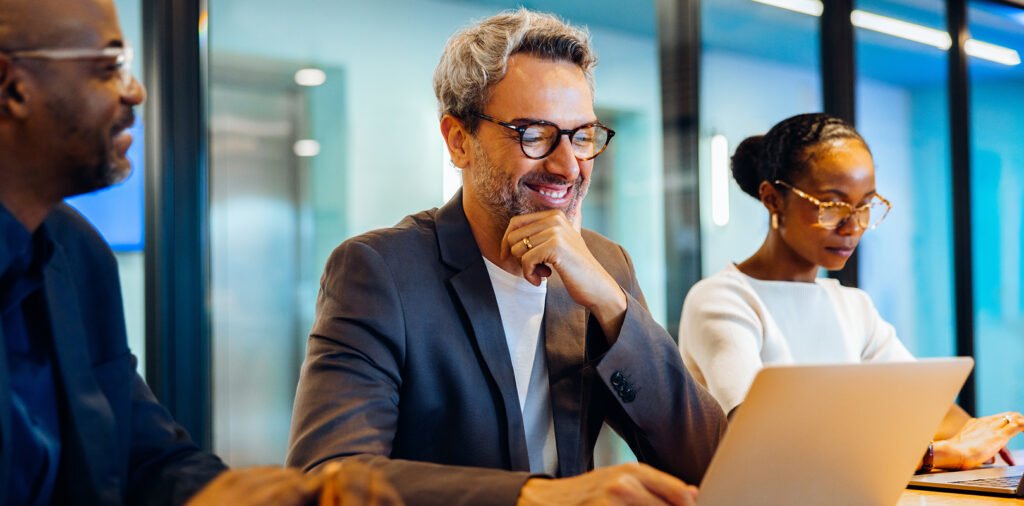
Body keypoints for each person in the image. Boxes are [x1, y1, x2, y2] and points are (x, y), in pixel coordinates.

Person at [286, 8, 726, 506]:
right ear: (458, 141)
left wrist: (612, 304)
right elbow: (327, 477)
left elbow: (708, 463)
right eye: (534, 135)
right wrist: (536, 497)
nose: (567, 166)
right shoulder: (379, 270)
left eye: (581, 136)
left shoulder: (604, 264)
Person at [0, 0, 399, 504]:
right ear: (11, 86)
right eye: (108, 68)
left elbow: (146, 457)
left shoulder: (78, 255)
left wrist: (250, 494)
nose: (136, 91)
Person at [678, 112, 1024, 472]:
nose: (853, 227)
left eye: (865, 206)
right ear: (772, 199)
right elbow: (763, 439)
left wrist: (980, 432)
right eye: (832, 206)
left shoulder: (851, 305)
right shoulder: (722, 300)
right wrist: (934, 455)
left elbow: (922, 405)